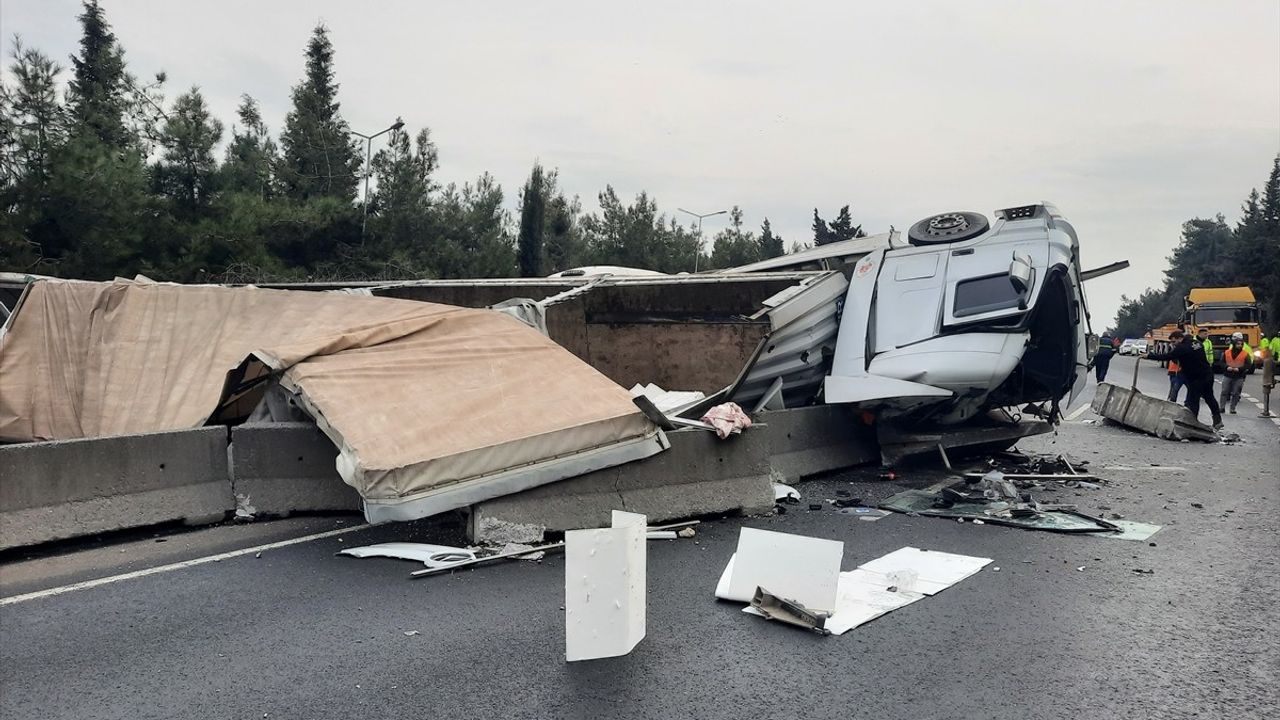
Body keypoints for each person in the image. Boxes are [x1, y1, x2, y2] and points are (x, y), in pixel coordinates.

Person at [1146, 330, 1223, 430]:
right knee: (1209, 397)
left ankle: (1193, 423)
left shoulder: (1182, 347)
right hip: (1207, 374)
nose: (1173, 344)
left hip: (1196, 377)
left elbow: (1167, 356)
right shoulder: (1197, 343)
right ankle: (1217, 420)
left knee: (1193, 400)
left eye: (1174, 342)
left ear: (1179, 338)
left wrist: (1149, 356)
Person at [1219, 333, 1252, 414]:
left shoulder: (1245, 353)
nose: (1239, 345)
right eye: (1238, 344)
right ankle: (1222, 408)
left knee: (1236, 393)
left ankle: (1232, 408)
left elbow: (1248, 364)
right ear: (1234, 344)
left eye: (1241, 344)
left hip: (1239, 376)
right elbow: (1221, 362)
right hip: (1228, 375)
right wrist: (1227, 367)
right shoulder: (1227, 352)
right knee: (1224, 391)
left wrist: (1240, 369)